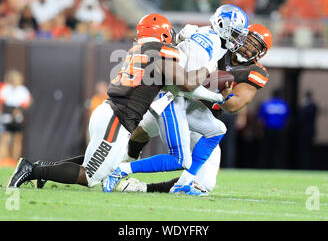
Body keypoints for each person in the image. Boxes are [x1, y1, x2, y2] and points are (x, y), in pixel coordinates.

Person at [7, 13, 222, 189]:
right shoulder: (160, 52)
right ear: (163, 33)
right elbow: (187, 83)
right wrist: (209, 67)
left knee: (107, 161)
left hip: (112, 114)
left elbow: (178, 85)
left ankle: (45, 167)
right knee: (91, 176)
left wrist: (216, 96)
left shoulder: (142, 50)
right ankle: (31, 169)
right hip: (116, 119)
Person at [103, 4, 249, 195]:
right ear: (222, 25)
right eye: (235, 33)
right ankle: (122, 170)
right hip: (171, 99)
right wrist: (217, 98)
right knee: (180, 160)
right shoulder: (207, 43)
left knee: (217, 129)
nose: (237, 39)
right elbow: (188, 87)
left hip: (181, 99)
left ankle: (185, 182)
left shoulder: (214, 39)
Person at [0, 70, 32, 167]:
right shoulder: (5, 89)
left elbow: (28, 102)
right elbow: (2, 102)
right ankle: (4, 161)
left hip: (17, 119)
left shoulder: (23, 90)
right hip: (6, 117)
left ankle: (14, 162)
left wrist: (18, 110)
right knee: (5, 139)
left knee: (17, 140)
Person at [258, 88, 289, 169]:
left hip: (268, 129)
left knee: (267, 148)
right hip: (280, 129)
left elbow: (261, 119)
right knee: (278, 149)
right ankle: (277, 166)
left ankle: (265, 165)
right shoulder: (284, 104)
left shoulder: (266, 104)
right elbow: (287, 118)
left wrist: (260, 131)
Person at [297, 90, 318, 170]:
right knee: (306, 150)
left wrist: (302, 106)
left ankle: (305, 166)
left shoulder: (308, 106)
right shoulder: (313, 106)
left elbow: (301, 118)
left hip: (305, 131)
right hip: (309, 130)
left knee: (305, 150)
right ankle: (305, 166)